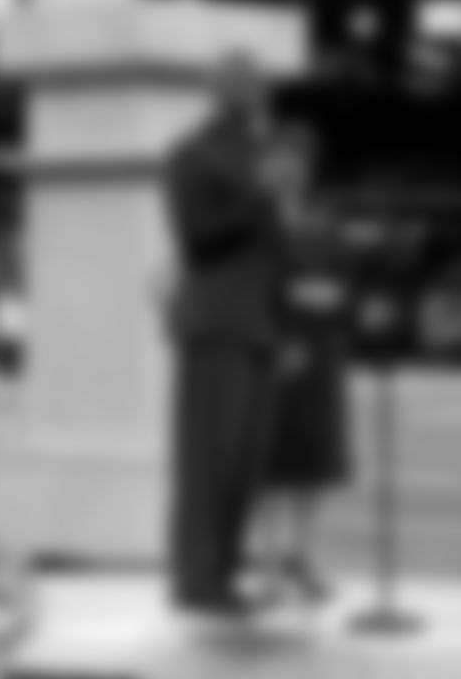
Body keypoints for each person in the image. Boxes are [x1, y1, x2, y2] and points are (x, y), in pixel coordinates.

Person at [160, 52, 286, 618]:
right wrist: (264, 198)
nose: (263, 92)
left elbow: (275, 245)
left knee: (243, 464)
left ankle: (224, 575)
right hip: (215, 320)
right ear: (228, 91)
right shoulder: (190, 155)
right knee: (208, 461)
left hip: (258, 322)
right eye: (254, 83)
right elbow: (197, 240)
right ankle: (195, 579)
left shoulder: (259, 154)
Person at [248, 126, 352, 605]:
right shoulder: (251, 221)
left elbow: (345, 281)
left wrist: (332, 297)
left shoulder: (324, 220)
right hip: (272, 353)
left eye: (298, 160)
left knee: (315, 464)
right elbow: (246, 289)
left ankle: (304, 559)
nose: (290, 169)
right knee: (268, 465)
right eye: (280, 159)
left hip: (322, 355)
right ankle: (266, 565)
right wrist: (286, 308)